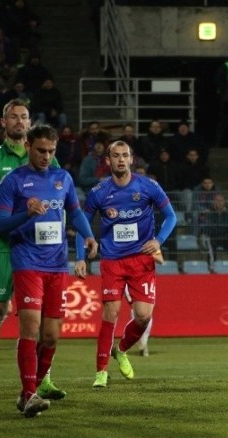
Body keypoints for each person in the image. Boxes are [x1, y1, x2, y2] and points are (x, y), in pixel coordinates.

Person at [0, 123, 99, 417]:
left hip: (56, 264)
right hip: (27, 261)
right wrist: (25, 212)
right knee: (30, 328)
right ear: (28, 146)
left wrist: (88, 234)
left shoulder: (62, 178)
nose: (46, 156)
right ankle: (29, 394)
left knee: (51, 336)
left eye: (51, 151)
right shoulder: (13, 182)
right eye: (41, 150)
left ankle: (30, 391)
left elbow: (75, 212)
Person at [0, 100, 66, 403]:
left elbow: (60, 195)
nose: (19, 121)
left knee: (39, 321)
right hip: (3, 244)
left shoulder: (46, 158)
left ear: (30, 123)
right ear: (3, 122)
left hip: (39, 248)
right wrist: (8, 203)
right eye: (13, 116)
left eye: (24, 116)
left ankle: (43, 381)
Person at [76, 141, 177, 388]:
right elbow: (81, 224)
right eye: (115, 156)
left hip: (141, 260)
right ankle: (101, 372)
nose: (121, 159)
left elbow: (172, 216)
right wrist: (80, 256)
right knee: (110, 313)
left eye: (125, 155)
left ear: (132, 159)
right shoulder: (99, 192)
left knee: (143, 317)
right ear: (108, 161)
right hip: (112, 261)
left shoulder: (148, 186)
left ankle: (120, 350)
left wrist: (159, 240)